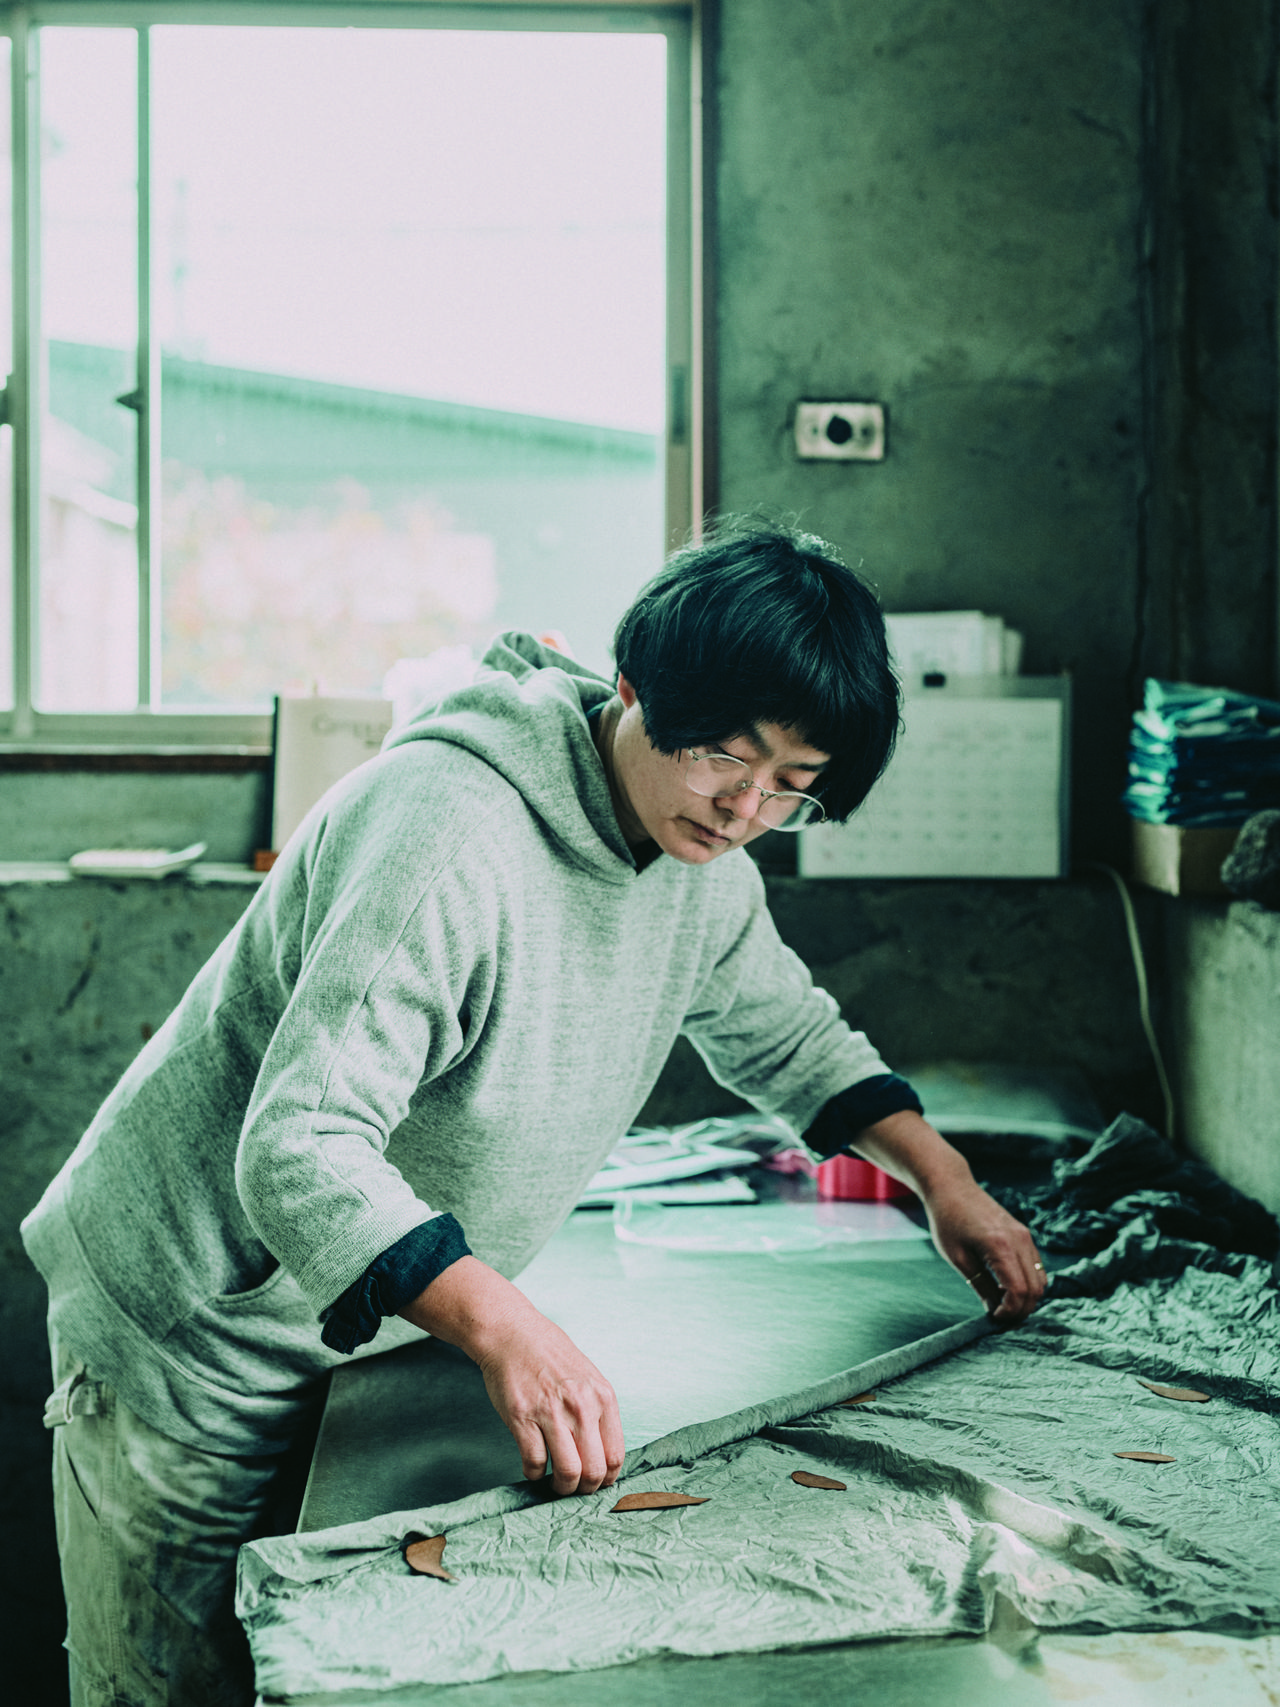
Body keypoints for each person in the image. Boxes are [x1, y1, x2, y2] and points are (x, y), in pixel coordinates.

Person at [23, 520, 1045, 1706]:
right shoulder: (447, 828)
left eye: (790, 786)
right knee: (173, 1682)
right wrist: (510, 1328)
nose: (742, 808)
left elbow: (788, 1036)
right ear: (634, 689)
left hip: (342, 1330)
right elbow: (302, 1146)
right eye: (724, 755)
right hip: (190, 1323)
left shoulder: (701, 867)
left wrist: (944, 1184)